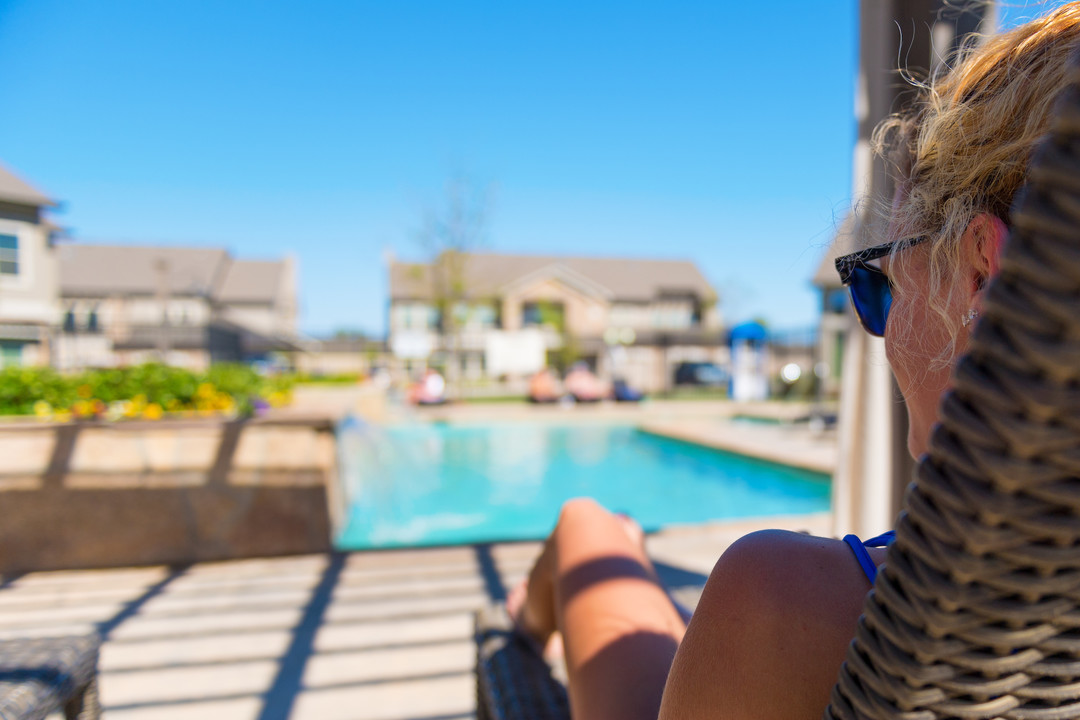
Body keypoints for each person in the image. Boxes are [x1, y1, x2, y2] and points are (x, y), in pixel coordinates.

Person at [505, 6, 1080, 719]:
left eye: (881, 284)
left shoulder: (785, 604)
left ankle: (523, 630)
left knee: (584, 525)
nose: (879, 330)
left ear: (980, 277)